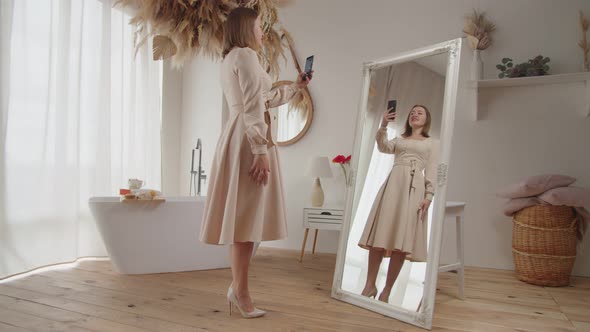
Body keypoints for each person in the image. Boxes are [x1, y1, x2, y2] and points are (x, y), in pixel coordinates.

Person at [199, 7, 313, 318]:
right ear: (246, 27)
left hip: (241, 136)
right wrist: (261, 150)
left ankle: (239, 287)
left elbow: (264, 100)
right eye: (260, 26)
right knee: (246, 224)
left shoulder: (232, 58)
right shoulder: (246, 56)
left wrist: (296, 88)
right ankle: (241, 292)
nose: (263, 32)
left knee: (244, 221)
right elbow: (252, 106)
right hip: (249, 141)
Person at [357, 104, 439, 303]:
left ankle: (387, 291)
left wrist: (429, 196)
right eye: (412, 112)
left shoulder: (432, 143)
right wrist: (384, 124)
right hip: (393, 185)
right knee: (379, 236)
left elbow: (433, 170)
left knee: (401, 243)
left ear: (427, 119)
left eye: (419, 112)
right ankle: (369, 285)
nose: (414, 114)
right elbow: (383, 146)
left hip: (414, 189)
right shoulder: (400, 139)